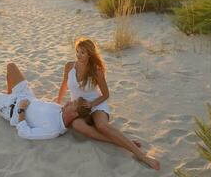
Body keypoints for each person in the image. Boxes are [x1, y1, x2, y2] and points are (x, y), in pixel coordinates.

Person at [55, 37, 160, 170]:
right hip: (79, 107)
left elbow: (106, 94)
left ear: (90, 54)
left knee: (101, 126)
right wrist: (57, 102)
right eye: (77, 51)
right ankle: (120, 142)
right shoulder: (69, 66)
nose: (78, 55)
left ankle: (142, 156)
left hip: (96, 104)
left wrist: (92, 104)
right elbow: (64, 85)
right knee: (77, 125)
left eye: (83, 52)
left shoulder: (96, 71)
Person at [0, 62, 90, 140]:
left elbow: (25, 133)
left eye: (72, 104)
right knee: (11, 66)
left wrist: (21, 110)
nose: (68, 102)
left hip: (13, 109)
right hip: (26, 95)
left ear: (74, 114)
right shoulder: (61, 109)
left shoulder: (53, 130)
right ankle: (9, 93)